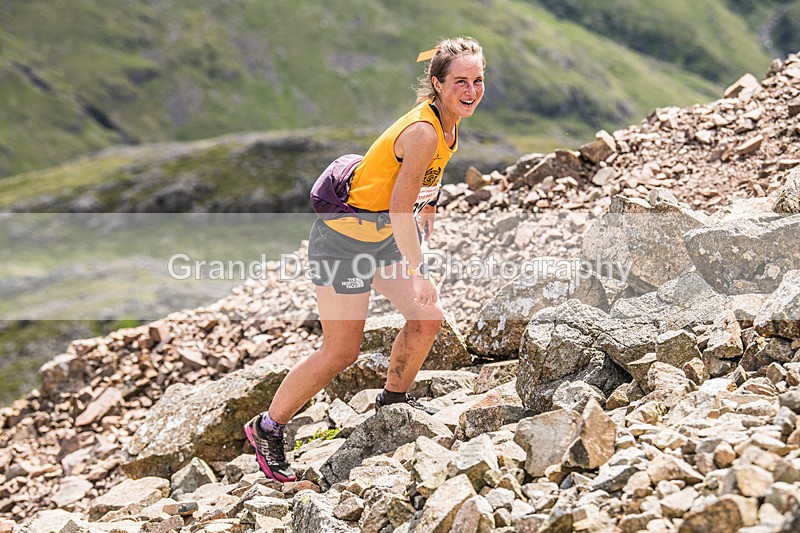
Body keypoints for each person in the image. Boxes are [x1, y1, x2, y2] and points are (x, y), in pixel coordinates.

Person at [244, 36, 486, 483]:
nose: (470, 90)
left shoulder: (448, 123)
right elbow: (399, 207)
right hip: (342, 245)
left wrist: (428, 202)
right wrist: (420, 270)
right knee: (341, 352)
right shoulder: (423, 130)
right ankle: (268, 427)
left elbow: (419, 178)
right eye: (459, 82)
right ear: (437, 83)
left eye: (477, 80)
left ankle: (392, 403)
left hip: (382, 239)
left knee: (427, 318)